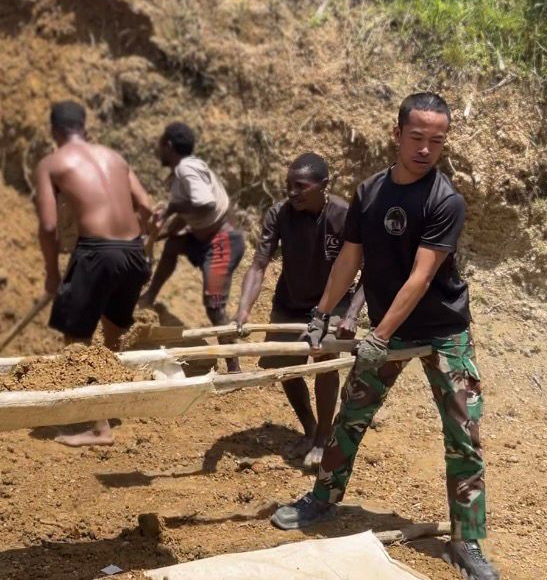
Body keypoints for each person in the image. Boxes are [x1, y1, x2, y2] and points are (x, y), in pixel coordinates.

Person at [270, 93, 501, 580]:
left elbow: (419, 279)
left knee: (464, 435)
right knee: (351, 416)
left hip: (443, 333)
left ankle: (468, 541)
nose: (425, 149)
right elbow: (350, 257)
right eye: (416, 138)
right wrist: (321, 312)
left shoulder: (445, 201)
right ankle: (321, 500)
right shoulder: (370, 193)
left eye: (436, 141)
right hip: (389, 329)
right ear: (396, 135)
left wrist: (380, 336)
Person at [233, 152, 365, 468]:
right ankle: (310, 428)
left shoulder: (344, 216)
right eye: (288, 186)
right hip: (290, 301)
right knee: (286, 367)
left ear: (324, 186)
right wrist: (242, 310)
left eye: (300, 187)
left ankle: (322, 438)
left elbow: (370, 270)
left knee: (323, 359)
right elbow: (259, 265)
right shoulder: (279, 214)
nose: (292, 193)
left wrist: (351, 315)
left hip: (332, 302)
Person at [35, 100, 154, 447]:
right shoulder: (114, 158)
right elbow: (146, 208)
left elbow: (47, 225)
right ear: (85, 129)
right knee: (113, 334)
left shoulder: (52, 163)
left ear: (55, 132)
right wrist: (144, 250)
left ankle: (100, 427)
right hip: (132, 251)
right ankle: (110, 402)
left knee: (76, 340)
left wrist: (52, 275)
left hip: (97, 253)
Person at [139, 122, 244, 373]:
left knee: (215, 306)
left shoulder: (186, 168)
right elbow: (179, 224)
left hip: (222, 240)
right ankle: (149, 297)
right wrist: (154, 236)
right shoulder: (184, 171)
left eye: (160, 145)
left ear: (169, 146)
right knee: (175, 244)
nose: (157, 151)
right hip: (205, 237)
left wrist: (174, 208)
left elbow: (205, 204)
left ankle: (234, 367)